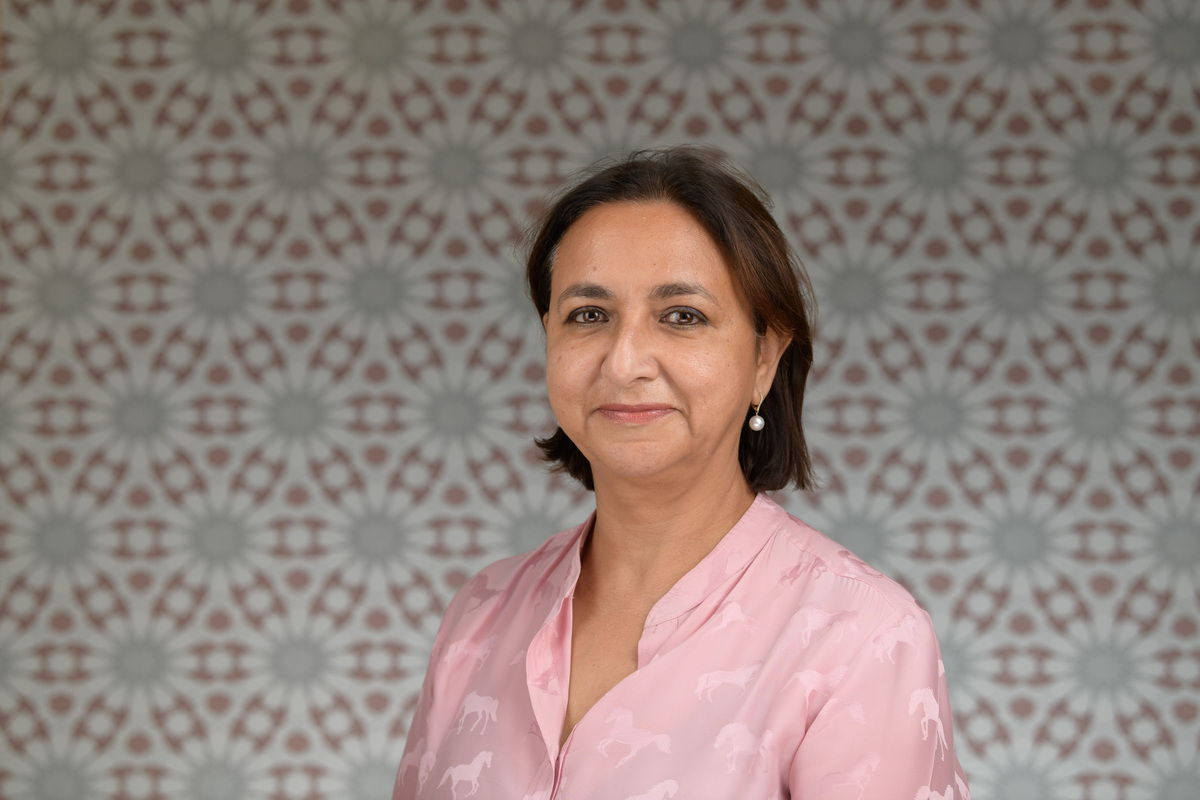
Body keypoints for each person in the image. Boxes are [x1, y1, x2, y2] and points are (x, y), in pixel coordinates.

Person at [392, 146, 971, 799]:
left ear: (764, 356)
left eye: (682, 316)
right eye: (589, 315)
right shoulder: (481, 617)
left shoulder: (860, 637)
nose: (625, 361)